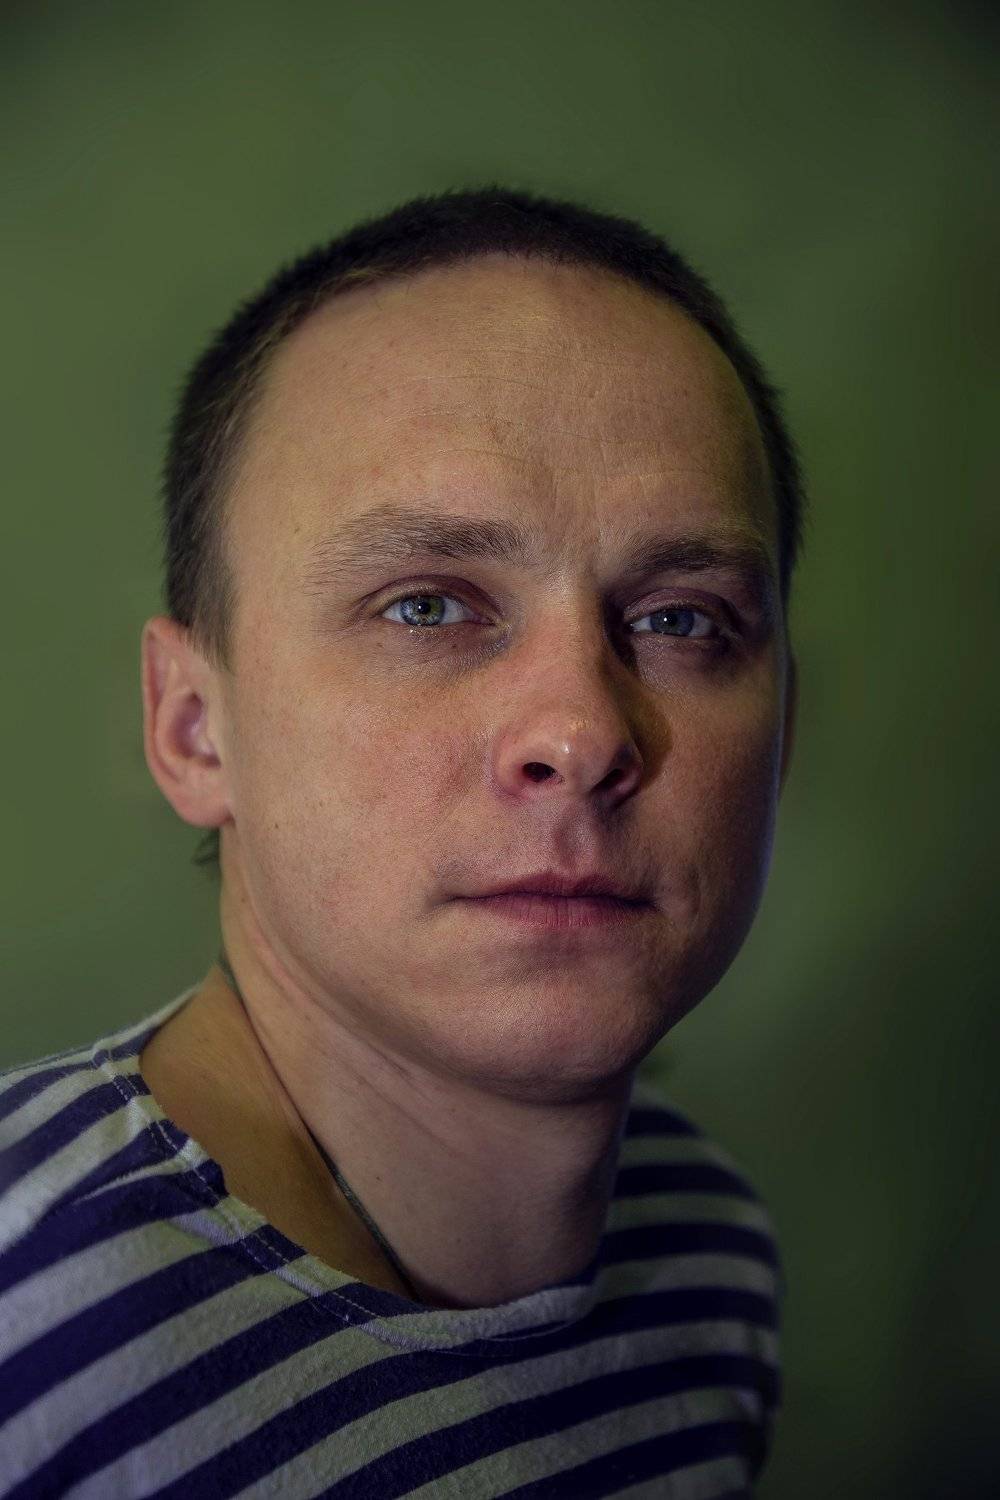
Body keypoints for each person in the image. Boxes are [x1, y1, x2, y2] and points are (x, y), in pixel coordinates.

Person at [0, 186, 802, 1497]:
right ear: (195, 729)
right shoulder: (23, 1314)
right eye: (427, 605)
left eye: (681, 619)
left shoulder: (709, 1259)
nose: (581, 732)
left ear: (783, 738)